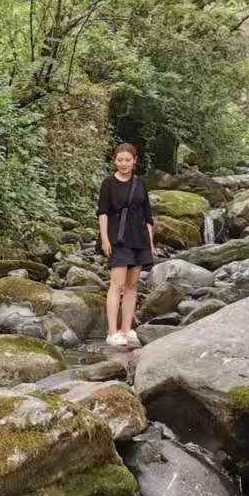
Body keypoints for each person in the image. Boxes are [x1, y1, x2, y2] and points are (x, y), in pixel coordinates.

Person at [97, 143, 155, 348]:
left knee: (132, 285)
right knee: (117, 284)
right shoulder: (108, 184)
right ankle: (112, 332)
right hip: (118, 238)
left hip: (138, 237)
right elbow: (102, 212)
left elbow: (147, 214)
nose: (123, 164)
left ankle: (126, 329)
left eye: (127, 160)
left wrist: (150, 242)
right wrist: (105, 239)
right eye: (120, 160)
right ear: (114, 161)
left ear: (134, 161)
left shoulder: (140, 184)